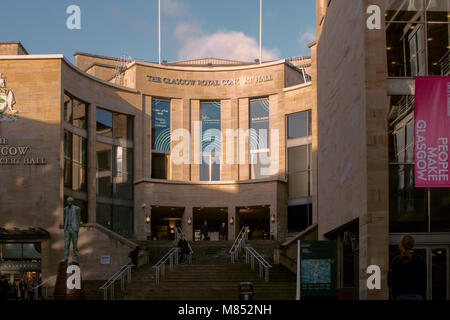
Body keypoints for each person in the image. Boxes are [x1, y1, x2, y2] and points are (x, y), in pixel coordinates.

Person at [389, 235, 427, 300]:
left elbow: (392, 282)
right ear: (412, 245)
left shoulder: (396, 260)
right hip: (417, 296)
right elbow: (423, 281)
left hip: (400, 296)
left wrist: (393, 296)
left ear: (401, 245)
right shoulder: (419, 260)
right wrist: (422, 295)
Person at [63, 197, 82, 263]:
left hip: (73, 228)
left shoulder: (77, 208)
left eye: (70, 201)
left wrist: (77, 227)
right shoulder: (65, 209)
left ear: (72, 202)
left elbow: (79, 217)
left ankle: (75, 258)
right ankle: (65, 257)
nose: (69, 203)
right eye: (68, 201)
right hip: (67, 228)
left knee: (74, 244)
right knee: (66, 244)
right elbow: (65, 217)